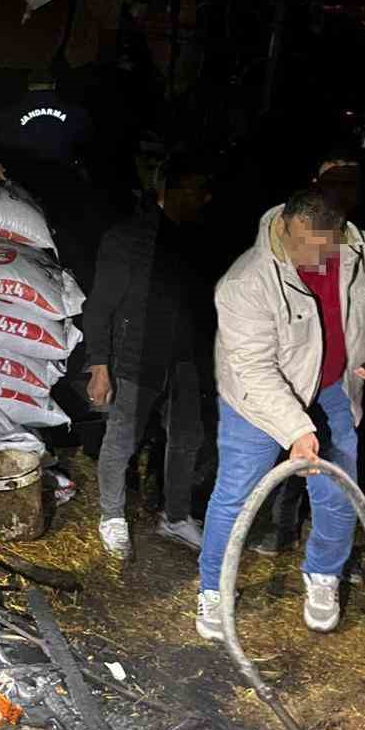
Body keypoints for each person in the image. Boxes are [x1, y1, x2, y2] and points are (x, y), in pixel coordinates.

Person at [194, 187, 365, 640]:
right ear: (287, 223)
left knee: (337, 489)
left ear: (340, 234)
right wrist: (297, 430)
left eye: (315, 247)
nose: (298, 253)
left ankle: (324, 574)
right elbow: (254, 368)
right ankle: (214, 587)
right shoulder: (245, 281)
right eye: (294, 240)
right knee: (237, 494)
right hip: (256, 399)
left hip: (332, 387)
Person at [83, 153, 215, 559]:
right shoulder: (128, 239)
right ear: (167, 191)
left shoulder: (200, 240)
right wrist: (100, 365)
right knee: (123, 438)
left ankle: (175, 516)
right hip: (137, 355)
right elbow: (101, 304)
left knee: (187, 439)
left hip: (188, 360)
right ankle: (112, 516)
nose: (203, 199)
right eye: (194, 191)